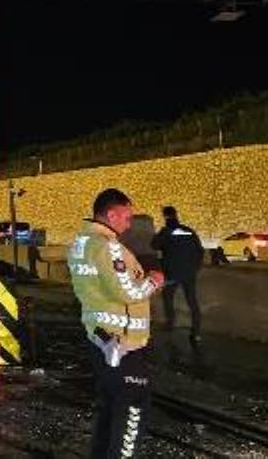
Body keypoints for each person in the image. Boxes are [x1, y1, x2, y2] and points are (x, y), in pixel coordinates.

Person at [68, 188, 165, 459]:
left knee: (109, 408)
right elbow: (127, 292)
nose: (128, 223)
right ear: (111, 214)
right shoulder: (108, 247)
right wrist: (153, 281)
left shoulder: (81, 243)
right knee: (131, 410)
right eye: (126, 216)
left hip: (101, 340)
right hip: (122, 344)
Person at [150, 205, 204, 343]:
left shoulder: (166, 231)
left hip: (171, 273)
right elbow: (200, 251)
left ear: (165, 216)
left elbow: (154, 245)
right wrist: (195, 267)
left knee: (168, 297)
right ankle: (196, 332)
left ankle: (170, 324)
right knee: (192, 301)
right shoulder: (188, 231)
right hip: (189, 272)